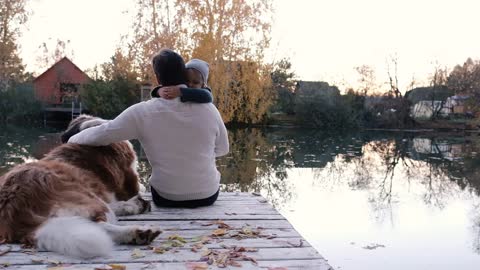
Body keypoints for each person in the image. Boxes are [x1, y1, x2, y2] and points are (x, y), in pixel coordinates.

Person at [68, 49, 229, 208]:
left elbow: (103, 133)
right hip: (208, 195)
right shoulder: (210, 109)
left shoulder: (141, 112)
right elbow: (223, 149)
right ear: (183, 73)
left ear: (157, 78)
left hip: (166, 197)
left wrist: (71, 139)